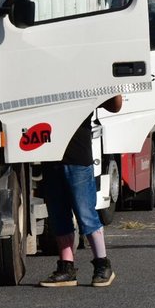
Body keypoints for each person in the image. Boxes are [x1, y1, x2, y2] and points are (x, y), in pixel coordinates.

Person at [39, 95, 123, 288]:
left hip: (76, 155)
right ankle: (66, 268)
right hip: (49, 154)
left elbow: (115, 105)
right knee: (58, 215)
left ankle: (102, 264)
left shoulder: (80, 77)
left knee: (86, 213)